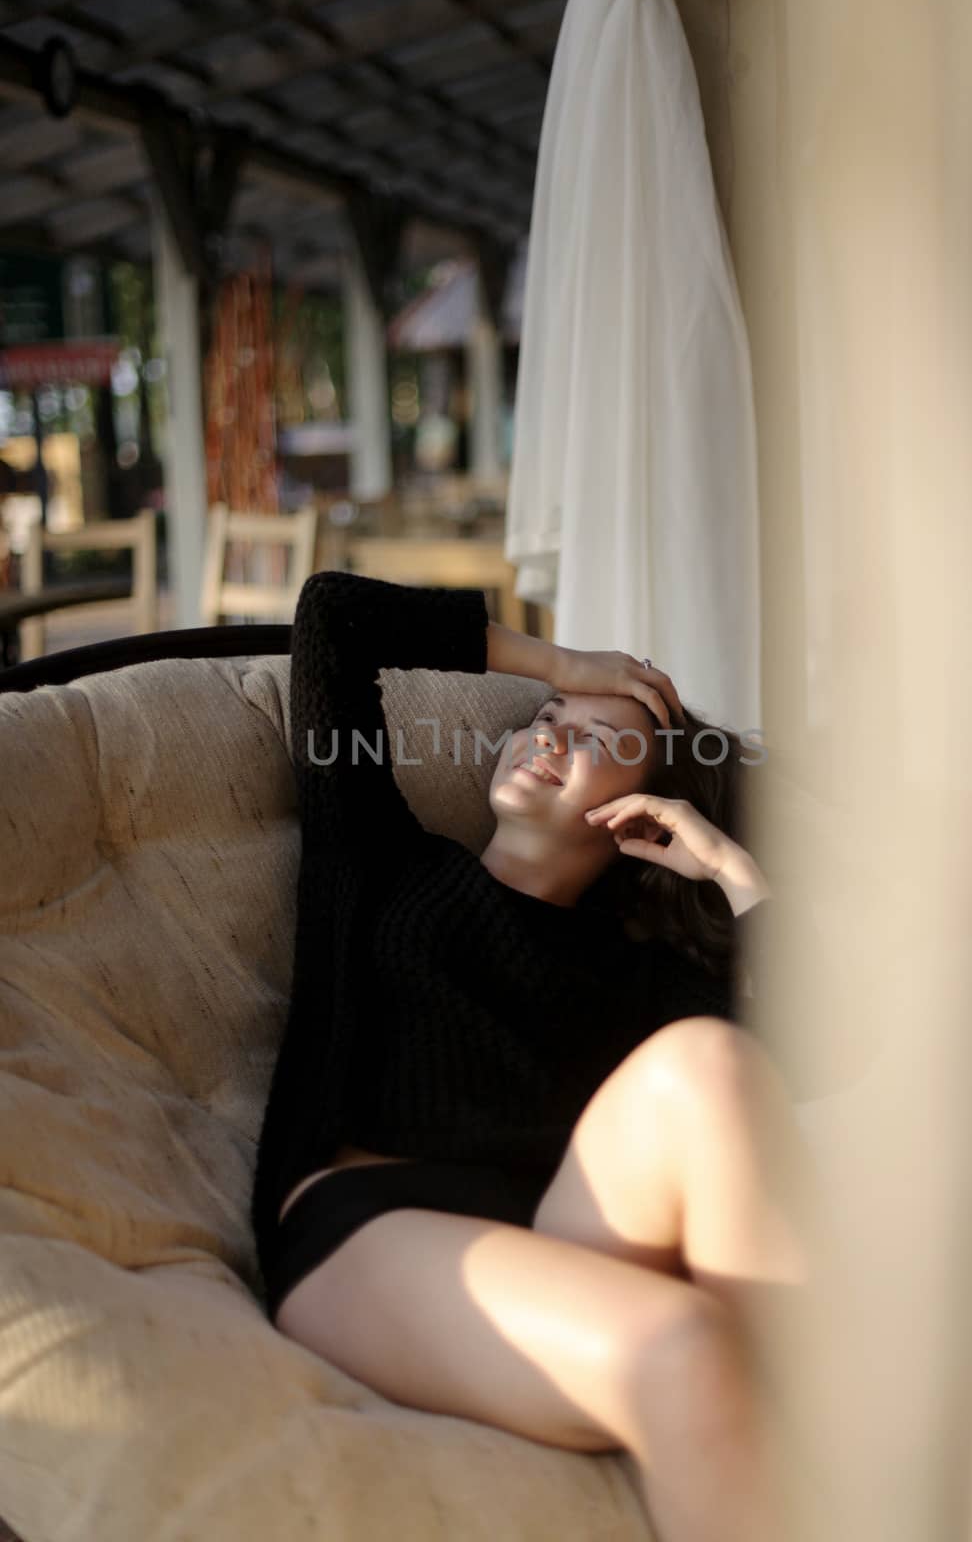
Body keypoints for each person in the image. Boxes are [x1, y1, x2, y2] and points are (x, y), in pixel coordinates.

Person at [251, 569, 821, 1542]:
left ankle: (819, 1421)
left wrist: (729, 869)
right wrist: (568, 657)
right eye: (547, 712)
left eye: (596, 740)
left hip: (549, 1237)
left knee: (712, 1064)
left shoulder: (638, 975)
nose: (551, 733)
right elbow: (330, 619)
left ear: (638, 816)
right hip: (366, 1226)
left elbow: (800, 1066)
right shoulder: (378, 860)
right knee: (680, 1341)